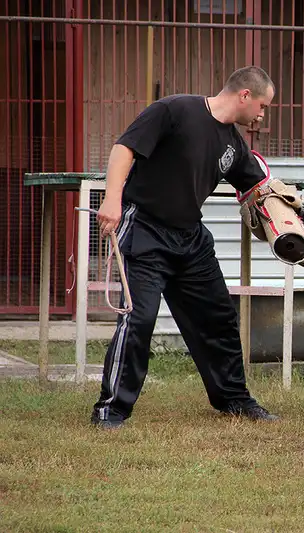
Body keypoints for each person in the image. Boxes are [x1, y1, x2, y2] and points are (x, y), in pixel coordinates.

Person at [90, 66, 281, 429]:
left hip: (190, 238)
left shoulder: (234, 143)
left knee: (219, 317)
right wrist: (112, 199)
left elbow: (260, 188)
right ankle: (111, 411)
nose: (261, 115)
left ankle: (234, 399)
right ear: (244, 95)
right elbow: (124, 148)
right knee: (138, 319)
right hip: (145, 229)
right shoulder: (175, 109)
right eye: (262, 106)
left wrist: (297, 228)